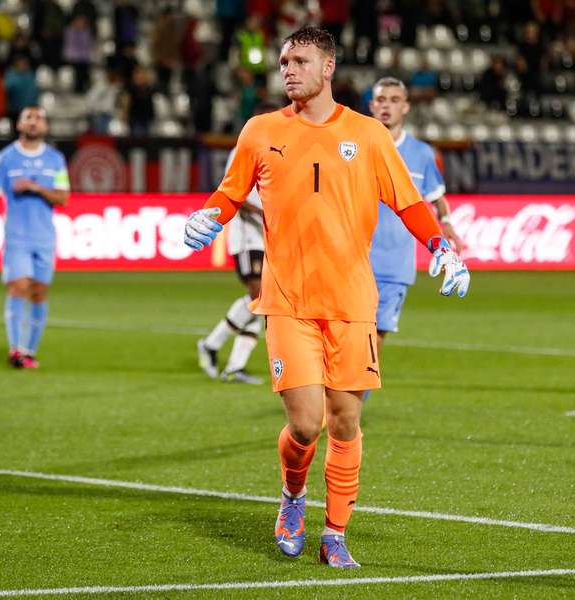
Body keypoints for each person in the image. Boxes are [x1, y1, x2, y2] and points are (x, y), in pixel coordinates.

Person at [182, 27, 469, 569]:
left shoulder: (367, 135)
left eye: (299, 60)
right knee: (307, 422)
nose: (287, 69)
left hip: (353, 302)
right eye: (283, 61)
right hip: (288, 300)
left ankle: (335, 535)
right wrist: (208, 215)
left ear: (328, 67)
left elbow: (408, 202)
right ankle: (293, 495)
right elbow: (230, 192)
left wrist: (442, 248)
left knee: (345, 422)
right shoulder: (260, 130)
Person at [367, 77, 464, 365]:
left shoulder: (421, 154)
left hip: (394, 265)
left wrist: (446, 222)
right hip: (353, 260)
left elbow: (436, 196)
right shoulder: (356, 147)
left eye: (394, 100)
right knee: (342, 338)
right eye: (381, 100)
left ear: (406, 107)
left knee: (374, 340)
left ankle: (348, 408)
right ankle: (335, 407)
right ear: (371, 106)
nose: (387, 107)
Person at [0, 107, 70, 368]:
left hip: (44, 238)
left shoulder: (56, 159)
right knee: (18, 286)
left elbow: (63, 198)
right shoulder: (5, 159)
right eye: (28, 118)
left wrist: (36, 187)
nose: (34, 122)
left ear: (46, 127)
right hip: (17, 237)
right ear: (19, 125)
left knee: (39, 292)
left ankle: (29, 351)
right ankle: (15, 350)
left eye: (39, 118)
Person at [197, 103, 279, 386]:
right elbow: (233, 194)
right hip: (247, 238)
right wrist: (262, 213)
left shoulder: (278, 150)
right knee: (260, 297)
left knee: (265, 302)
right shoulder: (243, 149)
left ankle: (233, 365)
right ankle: (211, 344)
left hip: (269, 238)